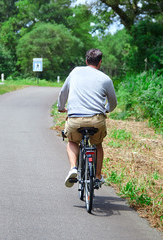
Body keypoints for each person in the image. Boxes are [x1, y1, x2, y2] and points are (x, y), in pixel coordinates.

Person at [57, 48, 117, 188]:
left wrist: (61, 107)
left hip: (75, 119)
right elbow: (113, 103)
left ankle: (73, 168)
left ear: (86, 61)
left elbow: (63, 92)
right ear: (100, 62)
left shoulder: (75, 72)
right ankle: (97, 176)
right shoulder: (105, 79)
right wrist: (106, 109)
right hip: (97, 120)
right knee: (97, 144)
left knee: (72, 141)